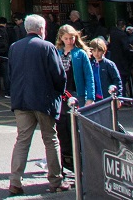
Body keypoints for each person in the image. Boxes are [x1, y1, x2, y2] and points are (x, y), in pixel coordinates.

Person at [7, 14, 68, 195]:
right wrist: (59, 92)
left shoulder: (14, 47)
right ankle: (55, 180)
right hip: (43, 99)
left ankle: (15, 181)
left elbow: (10, 74)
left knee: (22, 140)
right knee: (50, 139)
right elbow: (59, 75)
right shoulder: (47, 47)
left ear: (26, 29)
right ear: (42, 29)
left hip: (21, 99)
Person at [54, 25, 94, 173]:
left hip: (77, 94)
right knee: (62, 129)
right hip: (61, 96)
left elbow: (89, 76)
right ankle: (66, 162)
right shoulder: (57, 52)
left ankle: (82, 162)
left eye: (72, 38)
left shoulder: (80, 54)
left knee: (76, 129)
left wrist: (90, 97)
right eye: (66, 38)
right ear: (61, 38)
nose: (70, 41)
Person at [107, 19, 133, 96]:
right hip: (122, 61)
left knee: (117, 80)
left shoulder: (112, 34)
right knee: (122, 81)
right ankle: (123, 97)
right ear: (124, 27)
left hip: (114, 59)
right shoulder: (123, 35)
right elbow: (126, 49)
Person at [0, 17, 14, 97]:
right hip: (6, 55)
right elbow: (13, 42)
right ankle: (7, 92)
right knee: (6, 74)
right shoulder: (9, 31)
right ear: (5, 23)